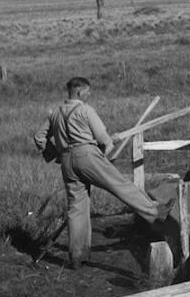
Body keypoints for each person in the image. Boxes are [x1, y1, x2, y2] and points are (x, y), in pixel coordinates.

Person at [34, 76, 175, 269]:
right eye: (88, 91)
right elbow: (102, 139)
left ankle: (77, 256)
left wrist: (56, 154)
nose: (89, 95)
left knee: (77, 208)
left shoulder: (54, 113)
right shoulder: (85, 110)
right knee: (119, 184)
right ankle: (155, 211)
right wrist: (107, 146)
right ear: (80, 92)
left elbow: (39, 138)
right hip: (87, 155)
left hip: (67, 162)